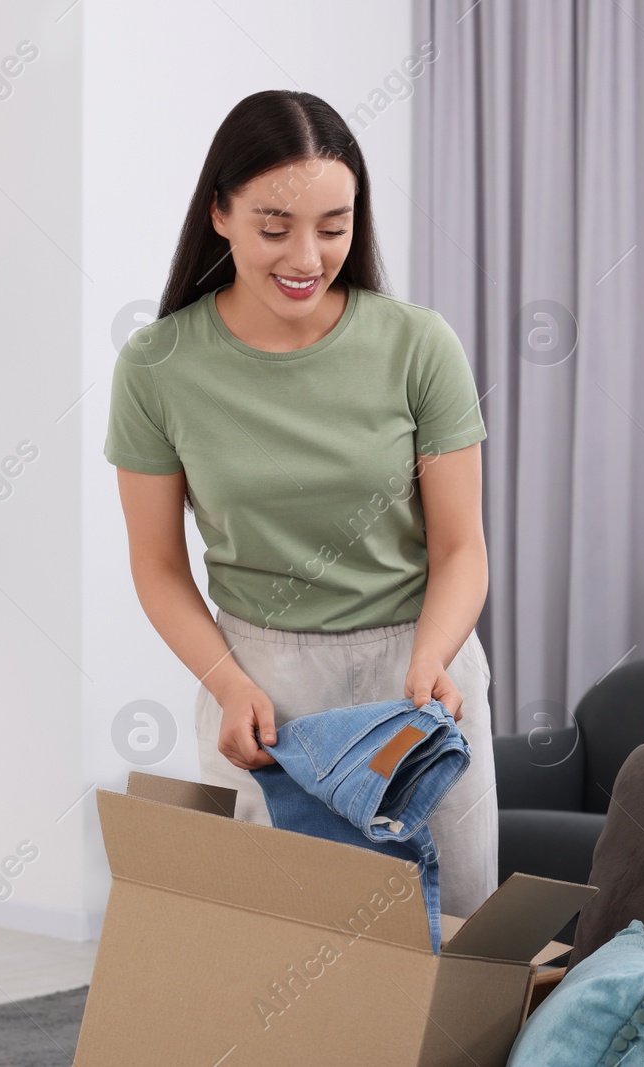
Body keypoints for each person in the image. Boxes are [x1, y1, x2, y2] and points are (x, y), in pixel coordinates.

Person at [103, 89, 497, 917]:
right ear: (220, 213)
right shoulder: (159, 365)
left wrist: (431, 659)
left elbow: (462, 548)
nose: (307, 257)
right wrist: (229, 680)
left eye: (334, 225)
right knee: (276, 954)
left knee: (448, 945)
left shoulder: (419, 345)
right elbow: (157, 563)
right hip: (261, 684)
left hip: (417, 674)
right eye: (274, 227)